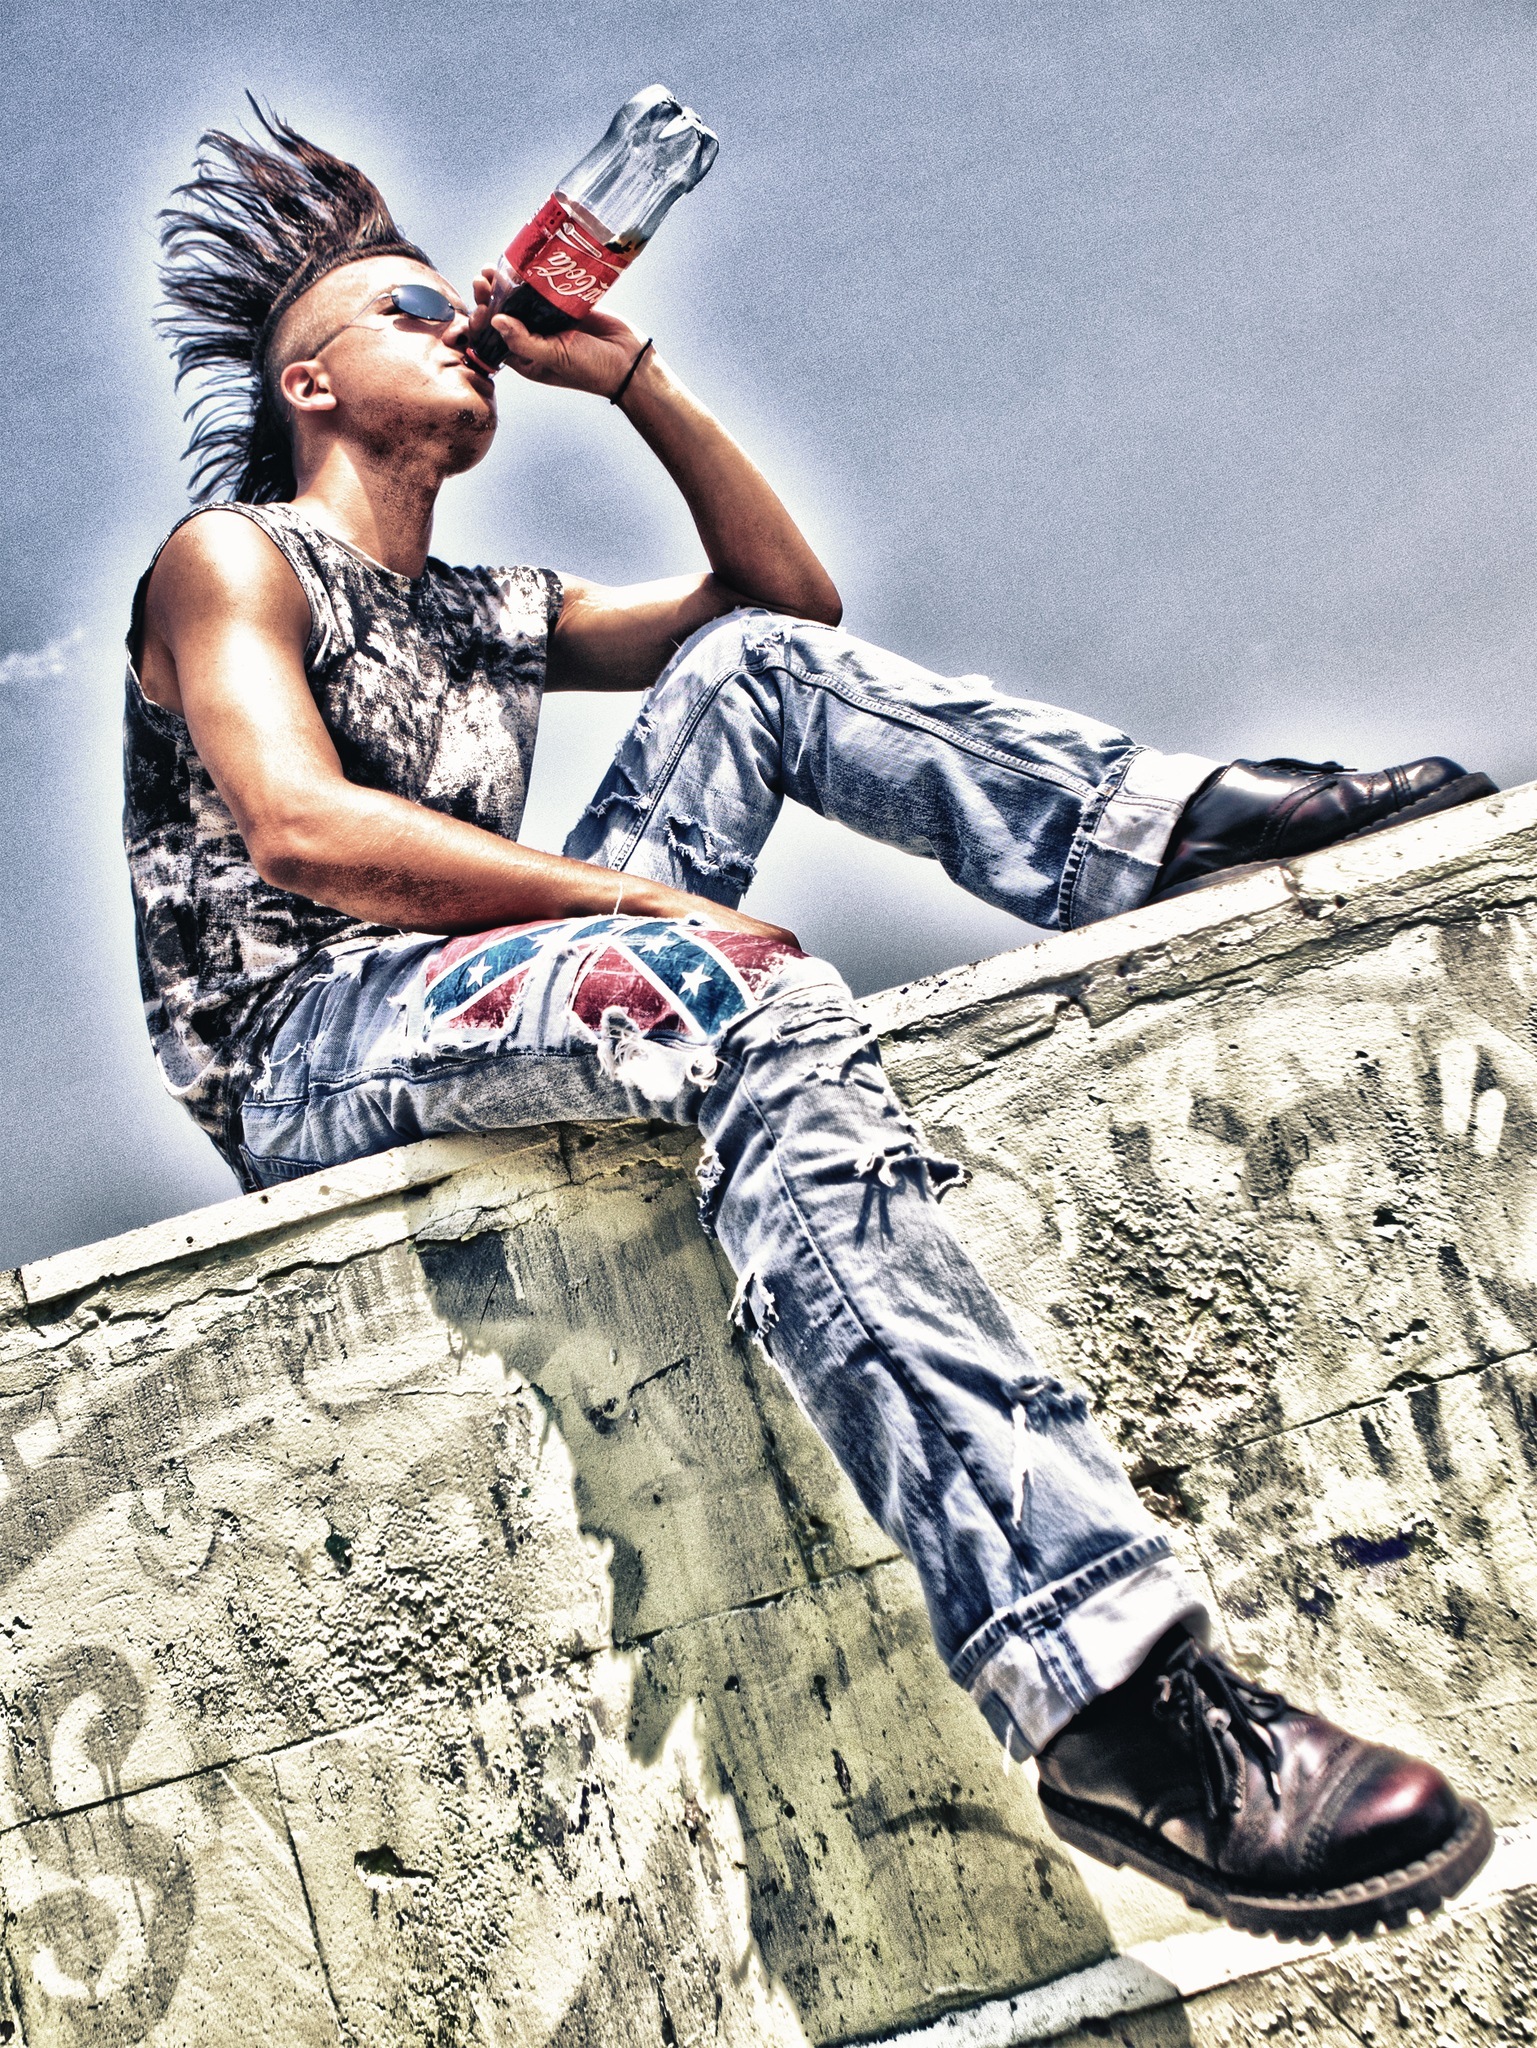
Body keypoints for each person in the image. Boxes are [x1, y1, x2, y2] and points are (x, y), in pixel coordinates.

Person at [127, 106, 1495, 1941]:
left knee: (749, 670)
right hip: (307, 1039)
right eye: (408, 305)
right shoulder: (233, 558)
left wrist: (633, 379)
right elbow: (303, 833)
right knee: (730, 996)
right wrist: (640, 910)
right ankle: (1108, 1698)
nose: (459, 321)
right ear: (309, 379)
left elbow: (787, 609)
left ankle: (1166, 831)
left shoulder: (480, 608)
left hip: (466, 975)